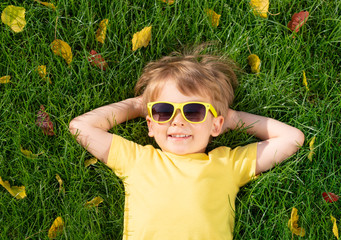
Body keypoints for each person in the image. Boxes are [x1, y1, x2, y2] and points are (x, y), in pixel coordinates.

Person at [69, 48, 305, 239]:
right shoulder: (136, 159)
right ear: (150, 125)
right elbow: (81, 127)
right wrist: (136, 106)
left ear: (216, 125)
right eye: (163, 111)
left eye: (193, 111)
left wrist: (232, 118)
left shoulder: (228, 164)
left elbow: (291, 139)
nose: (178, 121)